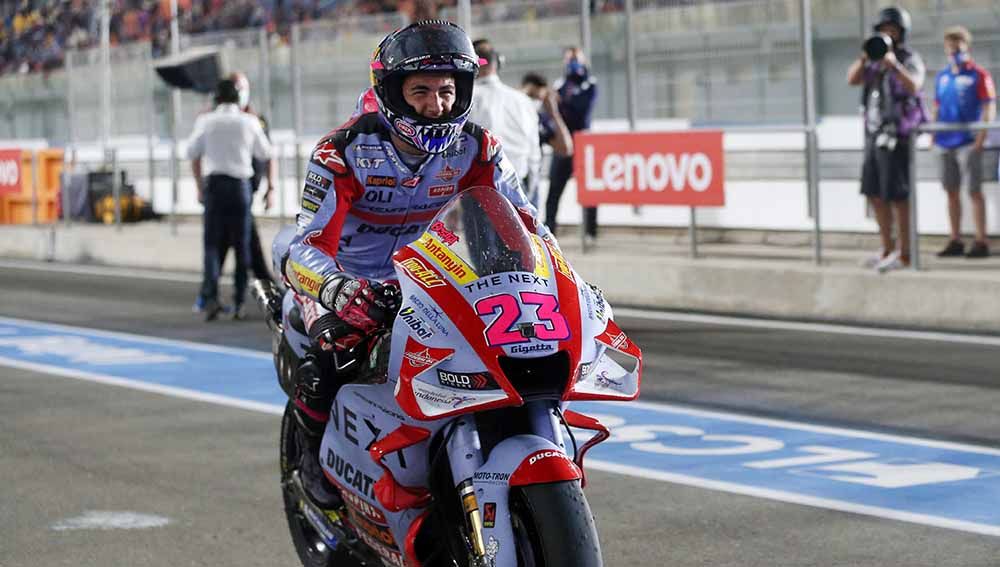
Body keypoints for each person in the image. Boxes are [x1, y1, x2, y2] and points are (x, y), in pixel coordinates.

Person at [280, 20, 554, 509]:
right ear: (392, 92)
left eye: (447, 90)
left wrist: (558, 276)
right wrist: (336, 290)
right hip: (350, 281)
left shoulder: (480, 146)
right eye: (421, 90)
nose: (436, 104)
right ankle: (307, 453)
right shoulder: (341, 151)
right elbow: (305, 244)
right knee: (331, 357)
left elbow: (529, 224)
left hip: (437, 279)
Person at [847, 6, 926, 272]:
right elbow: (852, 80)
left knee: (897, 196)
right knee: (875, 193)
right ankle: (887, 248)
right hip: (873, 135)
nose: (887, 35)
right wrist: (866, 55)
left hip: (897, 136)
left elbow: (915, 85)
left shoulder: (909, 58)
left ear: (902, 33)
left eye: (892, 30)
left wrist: (895, 65)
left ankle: (905, 254)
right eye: (883, 31)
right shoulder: (872, 62)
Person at [192, 72, 278, 317]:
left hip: (215, 187)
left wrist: (199, 186)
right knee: (243, 247)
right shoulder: (249, 121)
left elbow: (192, 154)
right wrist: (270, 188)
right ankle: (239, 300)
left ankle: (209, 300)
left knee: (211, 246)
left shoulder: (206, 121)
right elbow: (267, 154)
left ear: (217, 98)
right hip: (241, 187)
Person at [932, 26, 996, 259]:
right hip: (945, 141)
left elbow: (989, 105)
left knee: (974, 191)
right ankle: (955, 239)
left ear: (966, 46)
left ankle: (981, 240)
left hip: (968, 141)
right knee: (951, 191)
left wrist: (981, 136)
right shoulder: (943, 76)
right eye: (950, 46)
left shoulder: (979, 75)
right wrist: (933, 133)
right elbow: (937, 106)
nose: (954, 50)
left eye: (958, 45)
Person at [468, 39, 542, 206]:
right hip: (518, 185)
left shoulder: (465, 100)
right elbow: (534, 152)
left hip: (480, 189)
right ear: (498, 63)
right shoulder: (523, 100)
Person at [544, 46, 598, 244]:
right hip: (562, 147)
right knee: (554, 191)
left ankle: (591, 232)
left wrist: (561, 105)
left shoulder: (590, 84)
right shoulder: (560, 85)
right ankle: (549, 231)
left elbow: (581, 112)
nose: (573, 62)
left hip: (583, 146)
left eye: (576, 58)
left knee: (589, 192)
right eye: (569, 59)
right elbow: (548, 110)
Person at [521, 71, 575, 191]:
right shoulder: (507, 109)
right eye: (530, 96)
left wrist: (554, 113)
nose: (532, 103)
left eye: (538, 98)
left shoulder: (540, 121)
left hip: (530, 184)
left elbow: (566, 148)